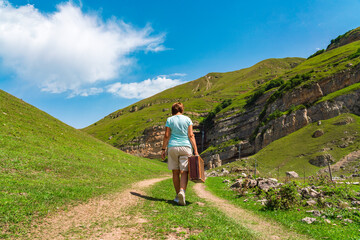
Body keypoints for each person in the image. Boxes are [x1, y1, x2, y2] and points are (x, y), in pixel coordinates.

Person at [161, 102, 199, 206]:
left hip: (172, 147)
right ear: (182, 110)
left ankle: (178, 196)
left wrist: (163, 149)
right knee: (184, 172)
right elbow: (191, 135)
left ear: (172, 110)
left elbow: (166, 135)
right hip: (185, 147)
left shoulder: (169, 120)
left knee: (175, 172)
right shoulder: (187, 119)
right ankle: (182, 191)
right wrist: (196, 151)